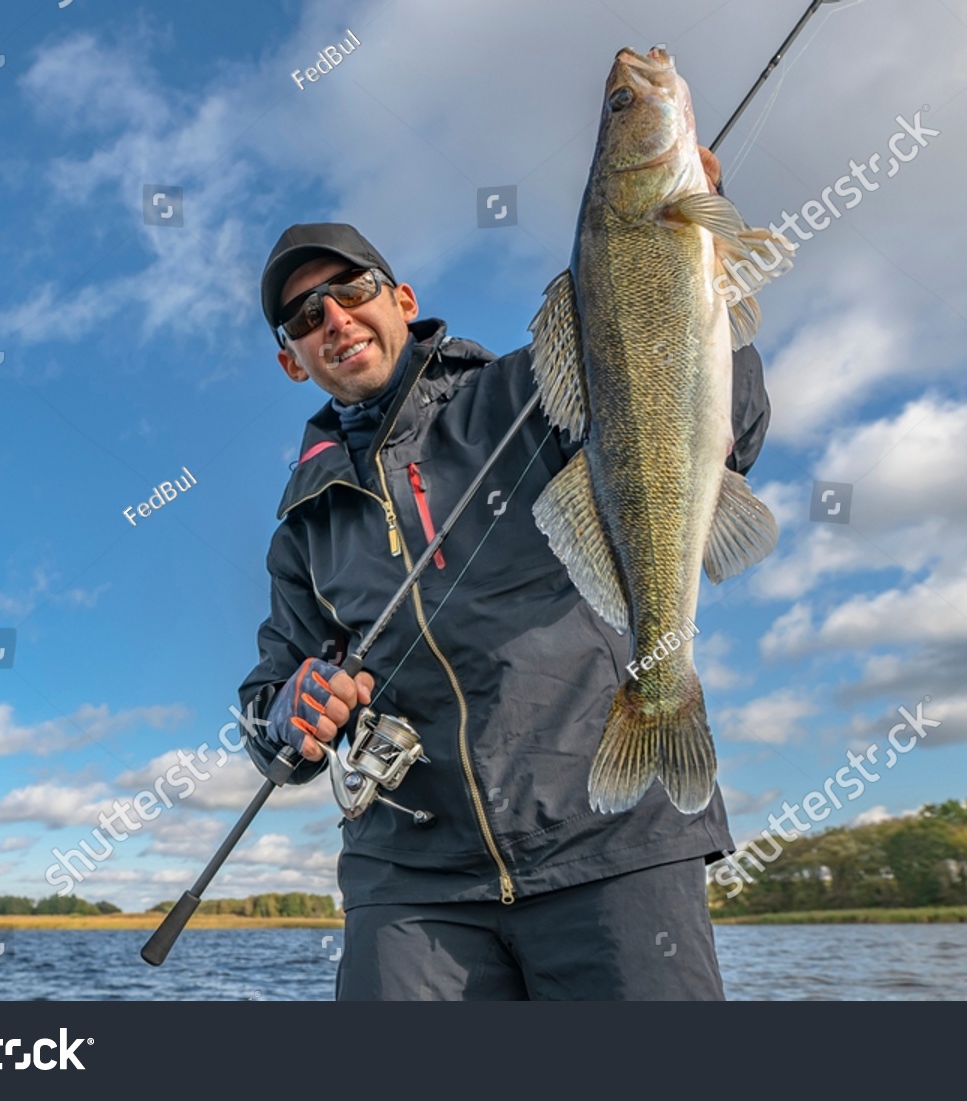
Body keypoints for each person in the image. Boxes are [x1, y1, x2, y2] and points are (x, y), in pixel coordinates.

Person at [237, 147, 770, 1000]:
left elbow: (726, 427)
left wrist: (689, 249)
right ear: (291, 360)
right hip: (410, 879)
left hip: (609, 834)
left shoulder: (530, 392)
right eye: (303, 317)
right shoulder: (302, 527)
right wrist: (289, 713)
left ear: (401, 301)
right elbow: (268, 710)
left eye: (353, 289)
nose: (332, 318)